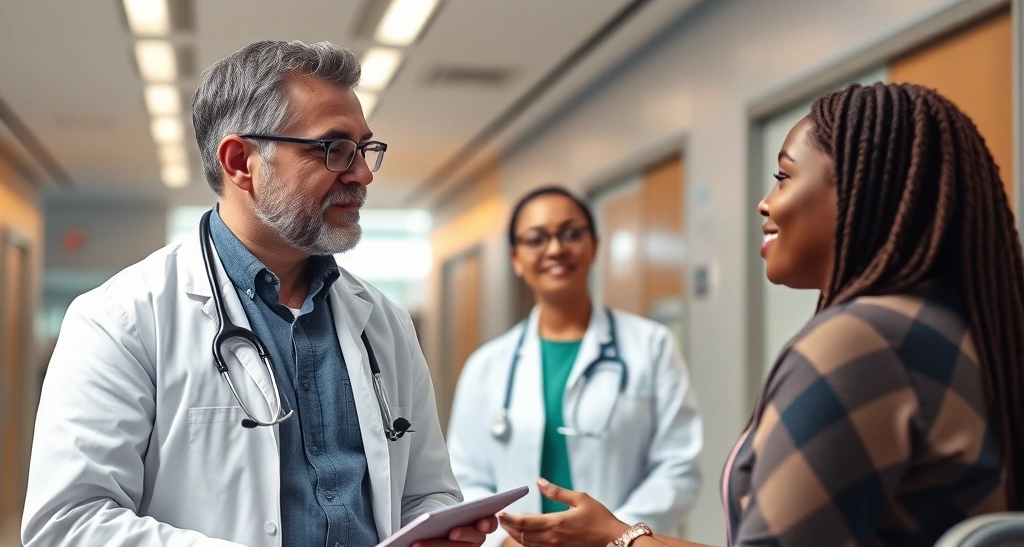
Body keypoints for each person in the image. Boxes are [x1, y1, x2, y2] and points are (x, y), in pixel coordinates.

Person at [498, 82, 1024, 547]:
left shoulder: (859, 343)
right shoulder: (955, 329)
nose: (764, 203)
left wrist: (623, 542)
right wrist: (620, 537)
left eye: (783, 176)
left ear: (861, 188)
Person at [21, 40, 496, 547]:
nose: (361, 174)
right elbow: (68, 523)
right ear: (241, 161)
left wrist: (440, 527)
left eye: (364, 149)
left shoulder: (385, 322)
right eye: (334, 148)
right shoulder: (121, 318)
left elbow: (427, 493)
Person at [447, 186, 703, 547]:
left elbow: (678, 466)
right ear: (516, 258)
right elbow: (465, 476)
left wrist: (613, 534)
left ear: (594, 245)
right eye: (536, 239)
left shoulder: (651, 346)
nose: (556, 249)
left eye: (571, 233)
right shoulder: (486, 366)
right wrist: (503, 540)